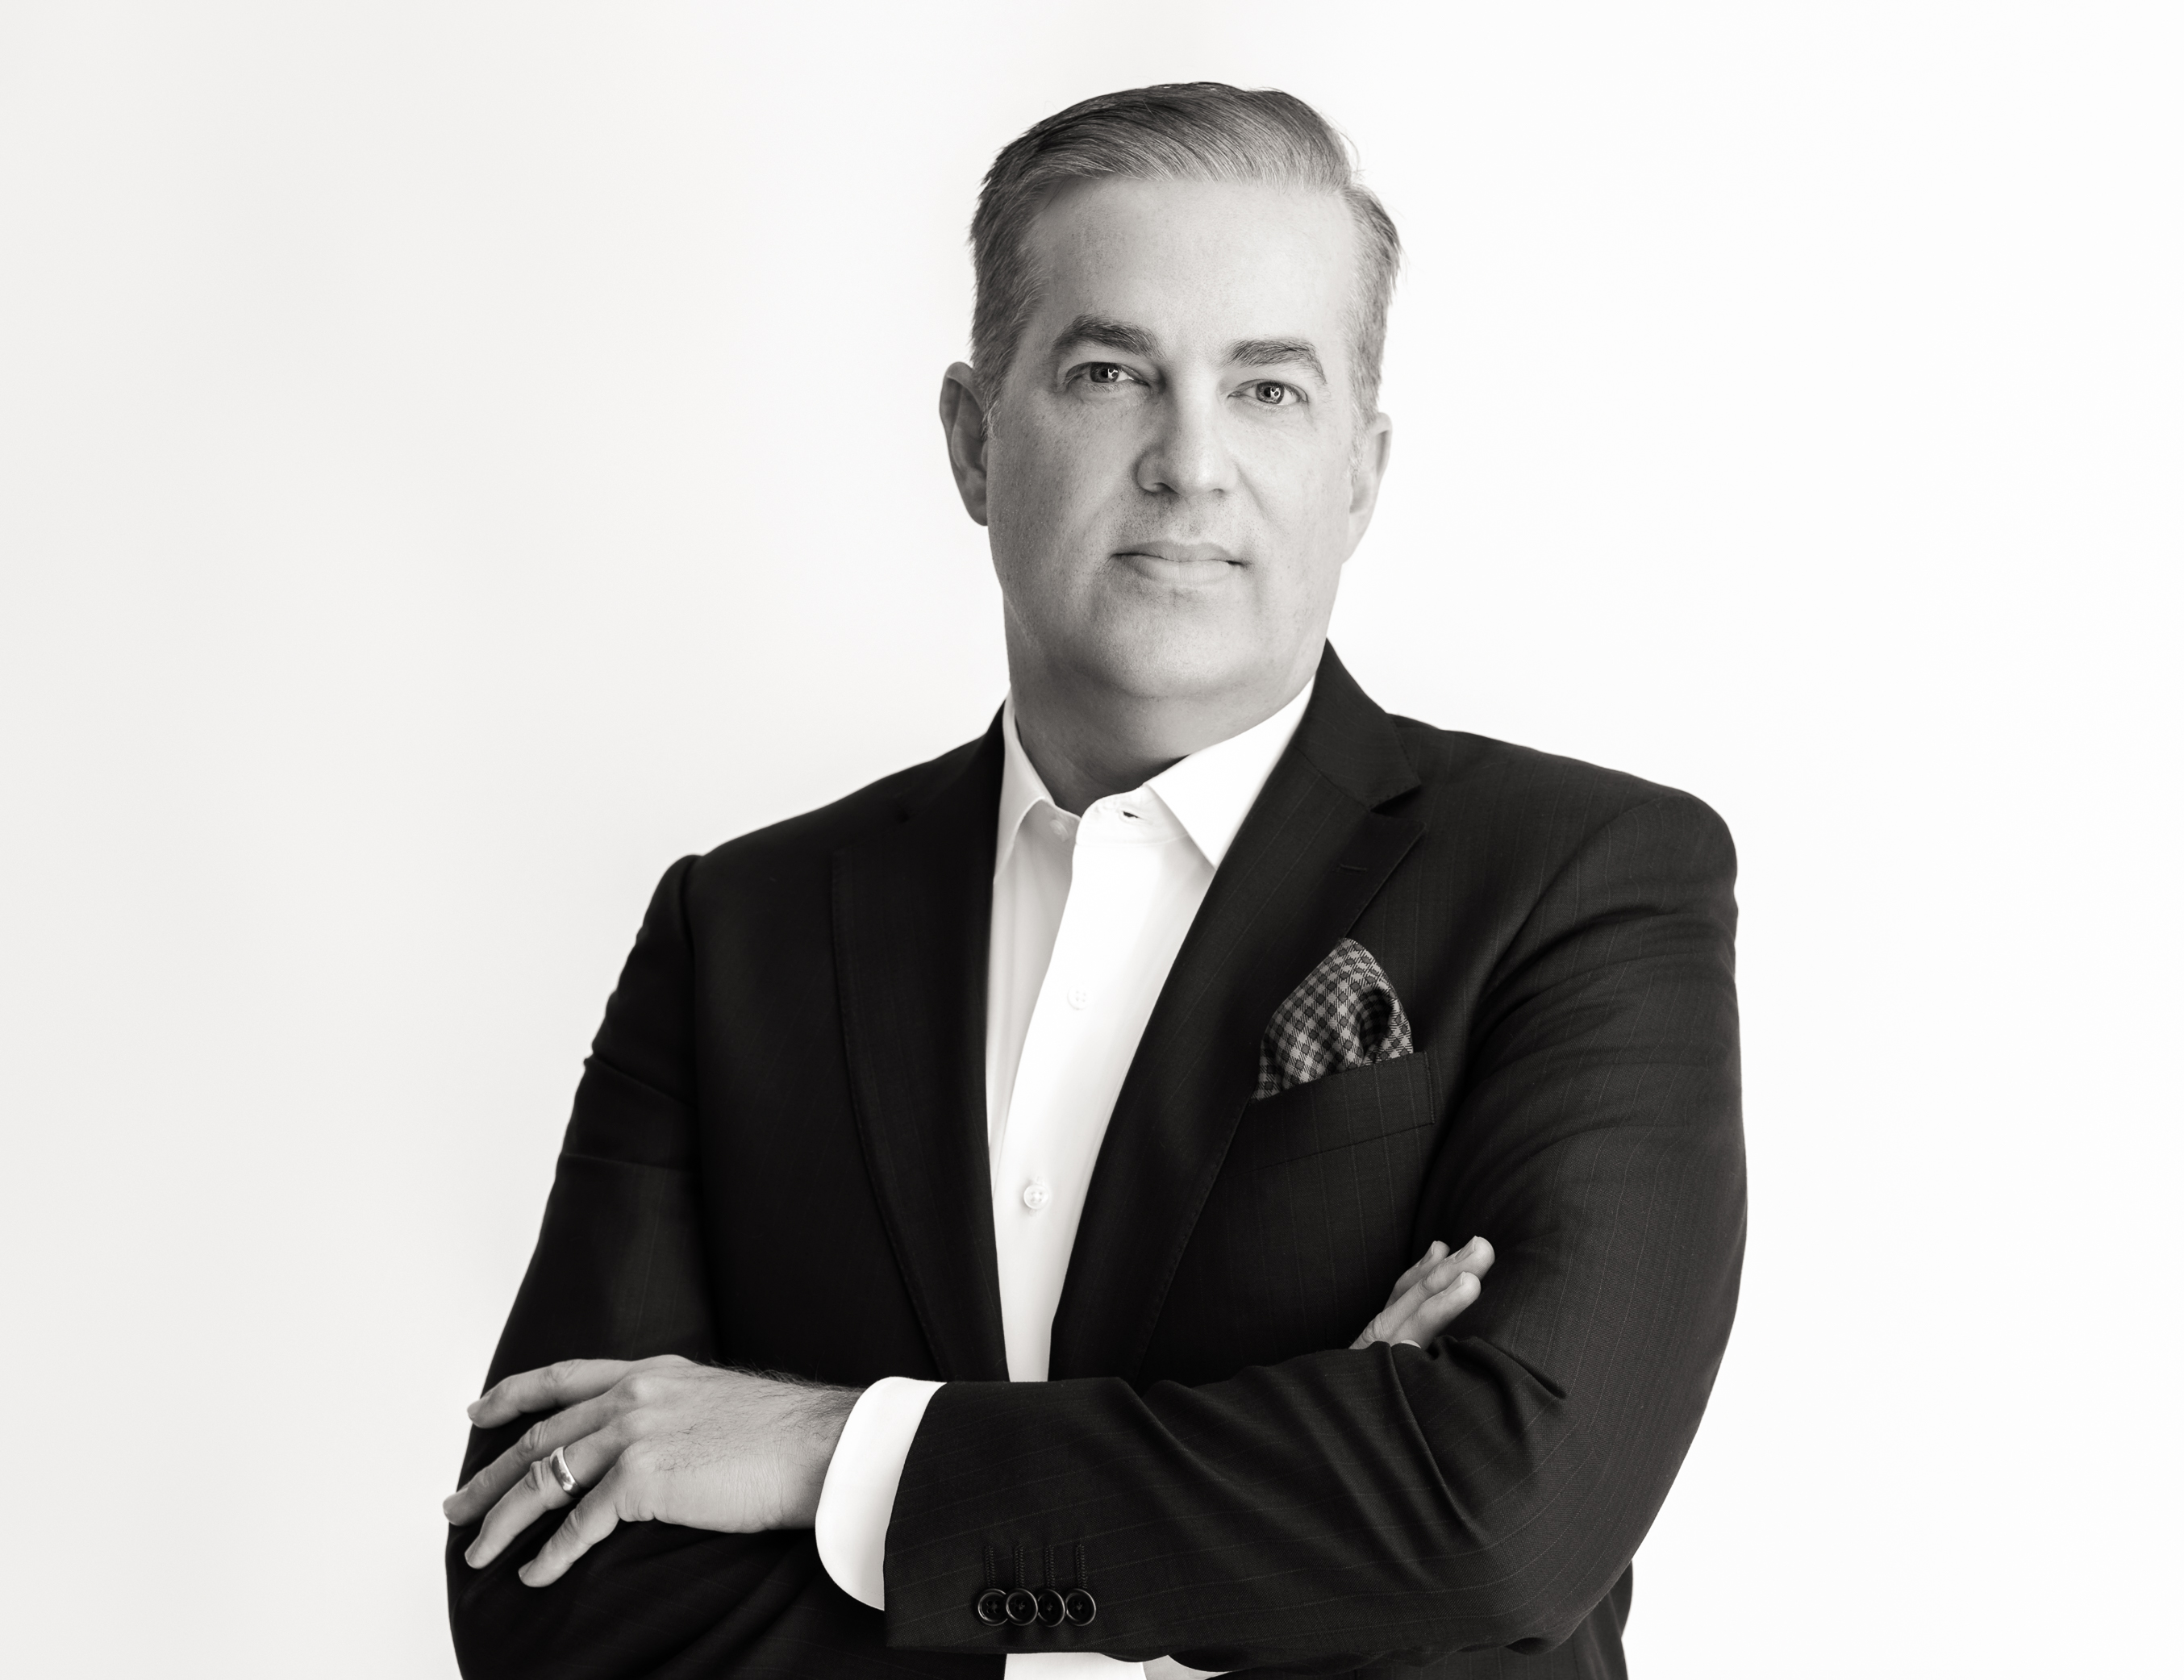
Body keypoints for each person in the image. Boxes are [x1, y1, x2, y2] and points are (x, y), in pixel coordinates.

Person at [444, 82, 1744, 1679]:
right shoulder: (745, 932)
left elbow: (1501, 1521)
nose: (1190, 462)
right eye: (1111, 372)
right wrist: (1274, 1548)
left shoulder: (1583, 883)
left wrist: (831, 1454)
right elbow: (543, 1598)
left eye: (1268, 389)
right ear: (974, 441)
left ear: (1361, 471)